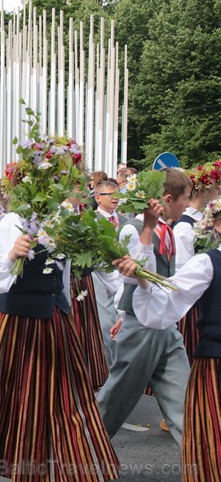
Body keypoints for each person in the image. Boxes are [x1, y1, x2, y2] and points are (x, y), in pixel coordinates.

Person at [0, 201, 118, 478]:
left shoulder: (66, 221)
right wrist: (11, 255)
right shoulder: (14, 220)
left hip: (54, 318)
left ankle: (66, 467)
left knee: (67, 397)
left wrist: (119, 304)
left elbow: (71, 273)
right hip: (14, 321)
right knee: (4, 394)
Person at [121, 197, 221, 482]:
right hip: (216, 365)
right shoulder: (208, 263)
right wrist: (141, 279)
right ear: (216, 225)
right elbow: (164, 302)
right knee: (209, 438)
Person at [97, 168, 193, 446]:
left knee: (185, 402)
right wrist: (125, 314)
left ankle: (206, 462)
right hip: (141, 328)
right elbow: (129, 274)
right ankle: (79, 452)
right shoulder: (134, 227)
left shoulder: (170, 230)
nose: (187, 204)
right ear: (167, 198)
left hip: (165, 326)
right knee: (114, 402)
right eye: (184, 198)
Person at [172, 171, 219, 363]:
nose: (219, 190)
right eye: (217, 186)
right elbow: (181, 269)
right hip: (194, 296)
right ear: (204, 189)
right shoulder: (184, 226)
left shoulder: (201, 221)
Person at [91, 180, 126, 366]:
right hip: (103, 281)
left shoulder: (125, 221)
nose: (115, 198)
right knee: (106, 328)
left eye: (117, 194)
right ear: (98, 198)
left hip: (124, 280)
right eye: (110, 194)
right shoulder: (91, 222)